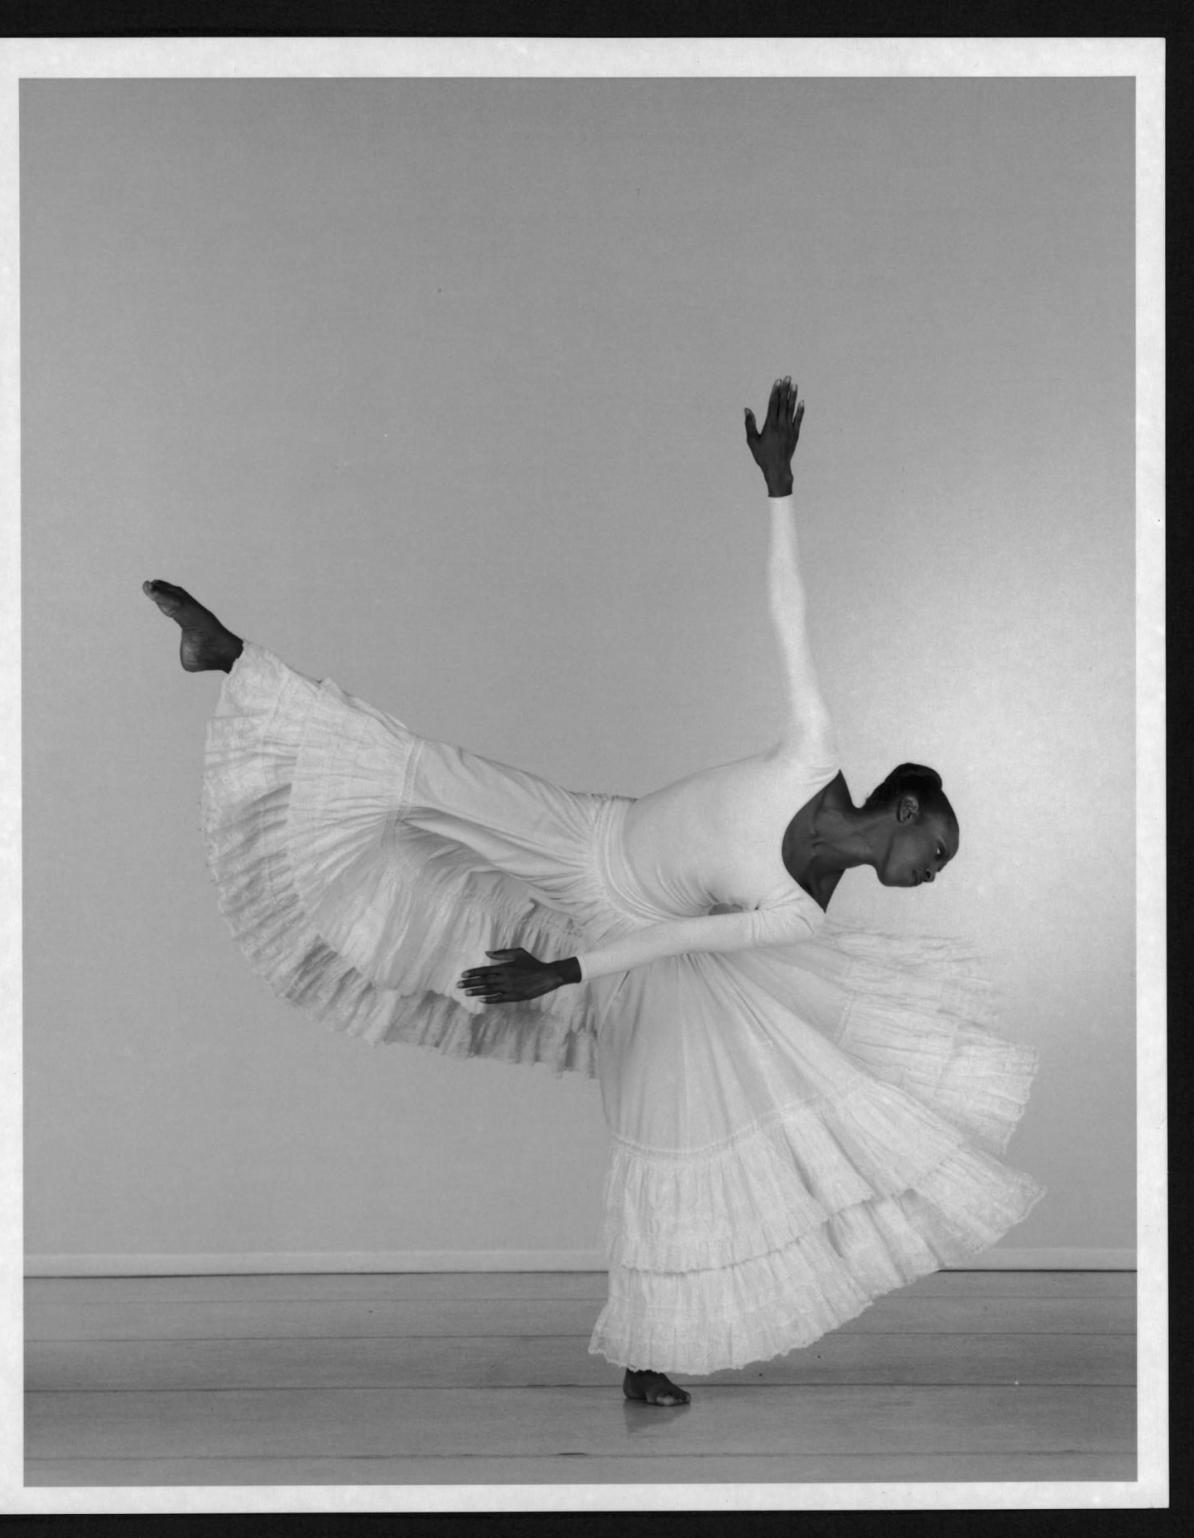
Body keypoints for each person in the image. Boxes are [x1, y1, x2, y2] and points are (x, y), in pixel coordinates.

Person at [144, 376, 1041, 1408]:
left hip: (639, 934)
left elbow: (674, 949)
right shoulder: (813, 755)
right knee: (427, 771)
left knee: (666, 1134)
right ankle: (232, 657)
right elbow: (788, 615)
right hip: (588, 834)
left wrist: (560, 970)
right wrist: (780, 487)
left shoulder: (805, 906)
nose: (937, 869)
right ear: (905, 805)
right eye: (939, 845)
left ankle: (646, 1345)